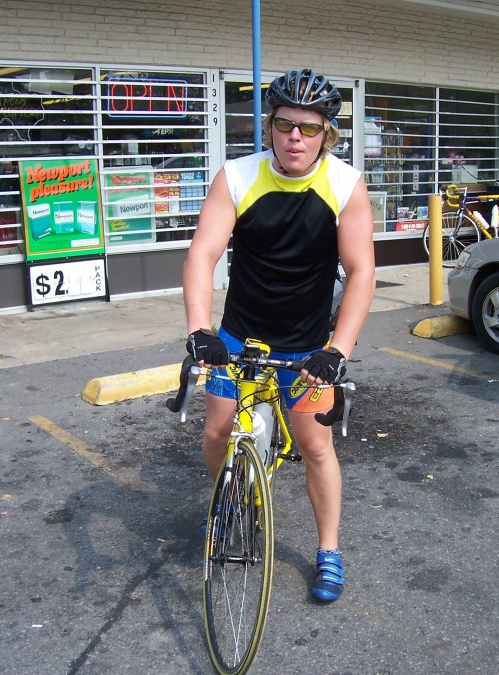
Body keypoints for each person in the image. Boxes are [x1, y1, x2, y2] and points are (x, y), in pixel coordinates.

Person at [182, 69, 375, 602]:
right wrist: (199, 330)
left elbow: (361, 271)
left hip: (308, 346)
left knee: (315, 446)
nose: (295, 137)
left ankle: (329, 550)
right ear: (269, 126)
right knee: (217, 432)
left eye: (309, 128)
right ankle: (227, 503)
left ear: (326, 134)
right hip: (238, 337)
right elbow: (202, 254)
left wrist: (337, 350)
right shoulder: (237, 176)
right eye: (285, 124)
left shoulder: (345, 185)